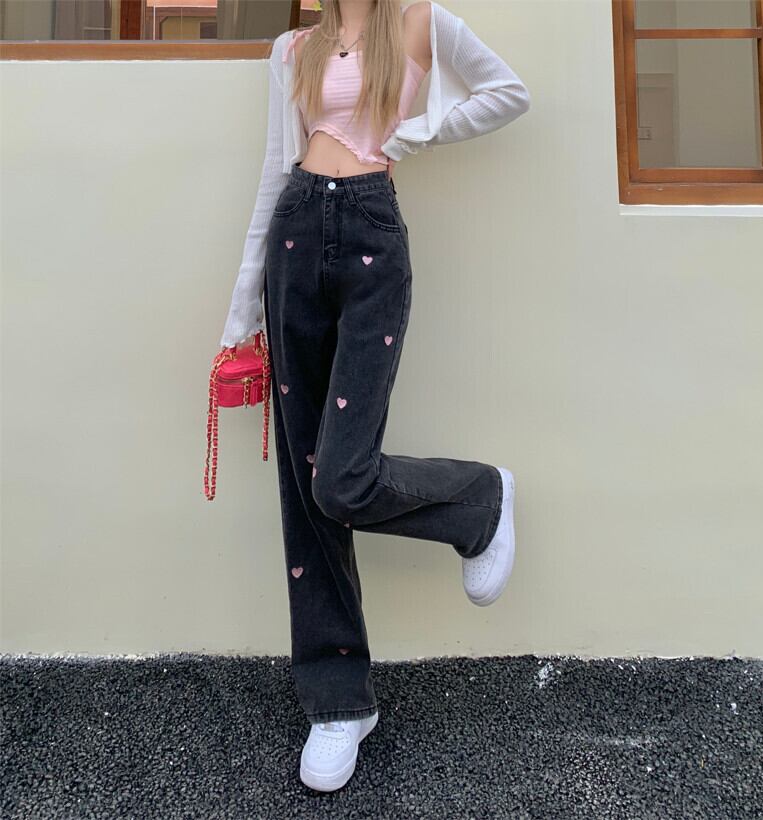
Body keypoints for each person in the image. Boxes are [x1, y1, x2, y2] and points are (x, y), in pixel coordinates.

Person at [219, 0, 530, 792]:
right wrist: (238, 316)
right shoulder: (295, 45)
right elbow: (273, 169)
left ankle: (478, 500)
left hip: (371, 233)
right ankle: (337, 702)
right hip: (297, 229)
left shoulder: (421, 22)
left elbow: (507, 92)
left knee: (340, 479)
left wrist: (418, 131)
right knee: (304, 488)